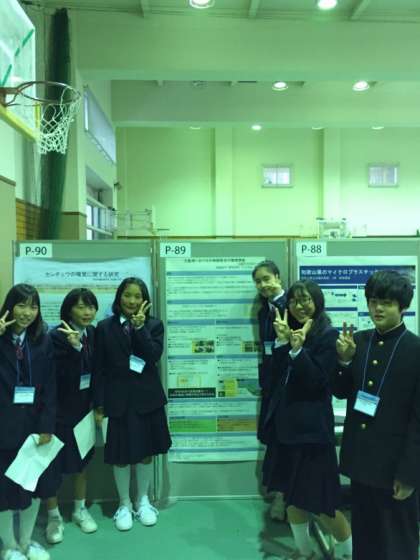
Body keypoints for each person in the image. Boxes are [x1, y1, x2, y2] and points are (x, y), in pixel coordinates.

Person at [334, 270, 420, 560]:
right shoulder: (357, 342)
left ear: (403, 306)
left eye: (386, 302)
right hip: (361, 462)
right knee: (366, 537)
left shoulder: (415, 349)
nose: (378, 308)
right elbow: (340, 391)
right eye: (373, 301)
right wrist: (344, 361)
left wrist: (409, 475)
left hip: (395, 467)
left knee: (398, 541)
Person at [263, 280, 352, 560]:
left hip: (312, 434)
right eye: (293, 301)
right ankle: (304, 552)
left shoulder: (328, 336)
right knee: (292, 496)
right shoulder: (289, 332)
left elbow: (316, 382)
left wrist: (298, 350)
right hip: (285, 430)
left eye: (306, 300)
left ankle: (347, 554)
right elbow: (276, 379)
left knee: (323, 504)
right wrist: (282, 342)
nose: (299, 306)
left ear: (317, 302)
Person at [93, 277, 171, 531]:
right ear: (119, 297)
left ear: (144, 300)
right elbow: (98, 369)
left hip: (147, 399)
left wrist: (139, 329)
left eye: (138, 296)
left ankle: (143, 500)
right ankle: (124, 503)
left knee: (146, 453)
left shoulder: (154, 325)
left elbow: (152, 356)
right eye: (127, 295)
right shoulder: (104, 327)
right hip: (117, 401)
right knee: (120, 455)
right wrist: (98, 405)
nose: (132, 301)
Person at [0, 284, 55, 560]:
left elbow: (50, 387)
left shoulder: (42, 340)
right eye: (21, 305)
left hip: (33, 428)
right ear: (10, 307)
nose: (27, 312)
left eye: (33, 306)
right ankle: (9, 546)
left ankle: (25, 542)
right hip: (3, 428)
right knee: (4, 490)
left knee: (31, 488)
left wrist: (46, 426)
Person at [44, 288, 99, 545]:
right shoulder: (57, 336)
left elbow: (97, 371)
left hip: (83, 410)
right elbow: (60, 377)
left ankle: (80, 509)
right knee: (52, 467)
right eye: (80, 306)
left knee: (82, 464)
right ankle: (53, 516)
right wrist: (75, 348)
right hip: (59, 412)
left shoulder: (93, 334)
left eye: (91, 306)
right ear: (68, 310)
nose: (87, 312)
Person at [252, 260, 287, 521]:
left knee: (285, 441)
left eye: (266, 278)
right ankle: (280, 495)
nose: (263, 285)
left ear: (278, 277)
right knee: (274, 440)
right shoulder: (264, 311)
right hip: (271, 385)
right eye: (258, 281)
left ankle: (285, 498)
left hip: (289, 385)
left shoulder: (291, 306)